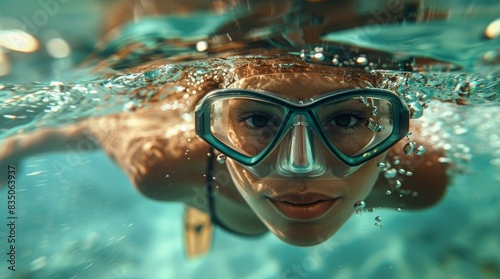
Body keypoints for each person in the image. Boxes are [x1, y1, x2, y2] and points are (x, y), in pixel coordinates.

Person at [0, 55, 449, 256]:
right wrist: (12, 149)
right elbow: (88, 126)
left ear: (391, 127)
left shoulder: (420, 176)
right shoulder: (164, 164)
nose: (301, 166)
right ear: (215, 124)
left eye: (347, 121)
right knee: (206, 197)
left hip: (224, 191)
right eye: (257, 121)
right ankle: (203, 204)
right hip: (206, 183)